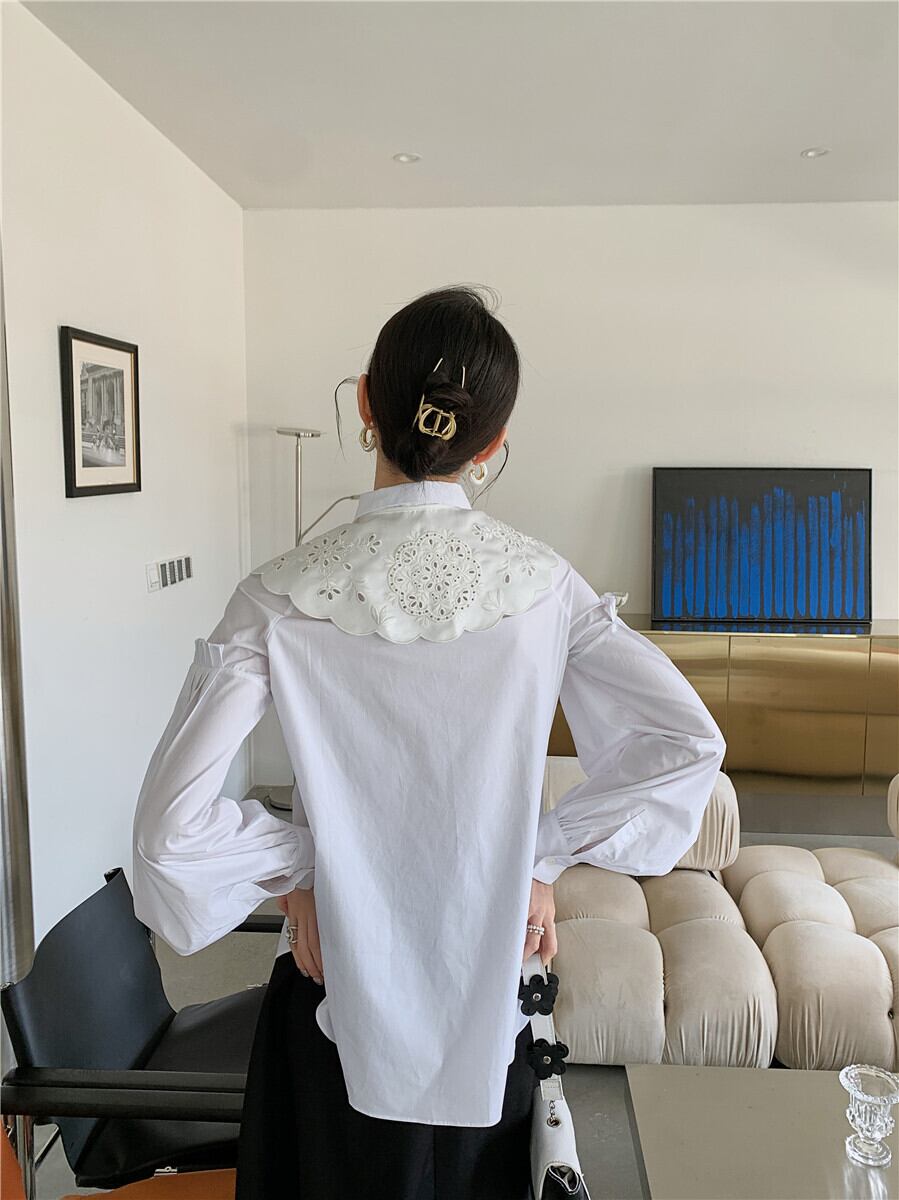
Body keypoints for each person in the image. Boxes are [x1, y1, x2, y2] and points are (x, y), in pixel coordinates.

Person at [130, 285, 727, 1200]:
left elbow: (168, 836)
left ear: (365, 401)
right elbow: (682, 744)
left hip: (331, 991)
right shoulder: (542, 587)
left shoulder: (277, 594)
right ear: (493, 443)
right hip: (491, 989)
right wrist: (540, 858)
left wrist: (301, 871)